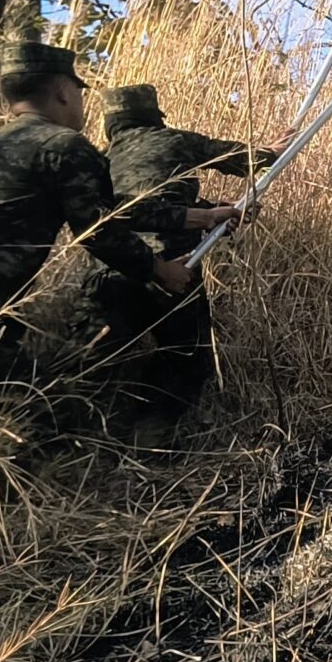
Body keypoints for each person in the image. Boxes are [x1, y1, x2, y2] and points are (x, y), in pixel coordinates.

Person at [0, 43, 241, 395]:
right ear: (62, 91)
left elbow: (118, 207)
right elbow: (99, 228)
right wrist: (159, 269)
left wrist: (201, 215)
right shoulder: (64, 146)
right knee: (41, 430)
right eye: (78, 93)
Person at [66, 83, 277, 431]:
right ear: (154, 117)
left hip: (110, 272)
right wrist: (272, 150)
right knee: (185, 359)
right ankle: (149, 437)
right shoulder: (173, 140)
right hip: (175, 268)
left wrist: (212, 212)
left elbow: (131, 210)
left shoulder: (99, 160)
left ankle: (71, 447)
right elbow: (241, 158)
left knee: (89, 366)